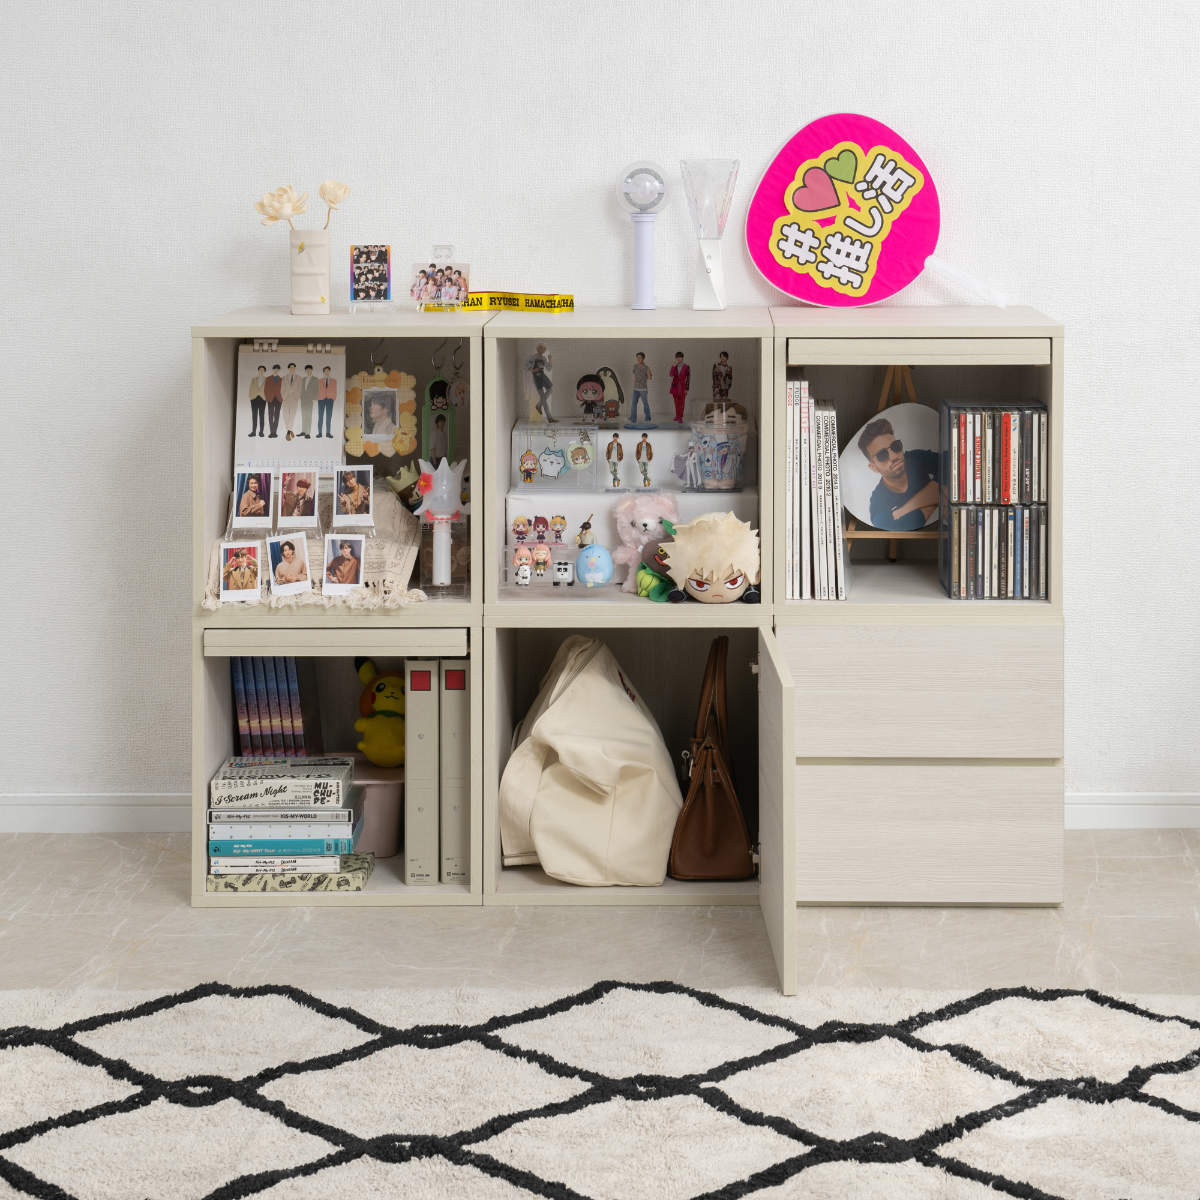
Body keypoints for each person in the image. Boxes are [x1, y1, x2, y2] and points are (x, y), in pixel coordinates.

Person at [859, 417, 940, 531]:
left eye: (895, 446)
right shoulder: (878, 504)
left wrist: (902, 510)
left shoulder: (915, 458)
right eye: (882, 455)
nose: (894, 456)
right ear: (873, 467)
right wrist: (937, 497)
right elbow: (906, 527)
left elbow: (953, 464)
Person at [526, 343, 555, 421]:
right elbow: (527, 367)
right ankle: (549, 417)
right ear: (538, 349)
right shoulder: (533, 357)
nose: (544, 350)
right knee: (543, 397)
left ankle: (539, 405)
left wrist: (550, 360)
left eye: (544, 349)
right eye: (542, 348)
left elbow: (548, 368)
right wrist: (533, 370)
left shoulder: (543, 358)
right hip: (537, 377)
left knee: (550, 389)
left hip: (543, 376)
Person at [628, 352, 653, 425]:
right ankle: (633, 418)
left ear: (643, 358)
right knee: (633, 403)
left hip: (643, 389)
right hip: (635, 388)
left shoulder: (646, 367)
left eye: (640, 358)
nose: (638, 359)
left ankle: (648, 417)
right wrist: (634, 384)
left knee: (645, 403)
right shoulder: (635, 366)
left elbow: (650, 378)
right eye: (637, 357)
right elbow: (635, 376)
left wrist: (649, 372)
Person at [280, 362, 302, 440]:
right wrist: (284, 396)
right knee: (285, 415)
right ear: (288, 368)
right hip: (286, 399)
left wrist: (296, 396)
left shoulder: (299, 378)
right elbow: (282, 389)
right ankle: (290, 430)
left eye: (293, 367)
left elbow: (300, 389)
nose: (292, 369)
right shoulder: (284, 378)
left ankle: (288, 433)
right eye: (291, 367)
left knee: (292, 416)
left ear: (295, 369)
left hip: (294, 399)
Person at [668, 352, 690, 423]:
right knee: (676, 402)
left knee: (682, 403)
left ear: (683, 358)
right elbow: (671, 375)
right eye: (677, 357)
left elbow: (688, 378)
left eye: (680, 357)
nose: (679, 359)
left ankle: (680, 417)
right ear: (675, 358)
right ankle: (677, 416)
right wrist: (673, 366)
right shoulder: (674, 366)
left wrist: (687, 388)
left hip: (682, 386)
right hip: (675, 386)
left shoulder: (686, 367)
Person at [317, 366, 337, 438]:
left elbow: (335, 390)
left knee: (329, 417)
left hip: (330, 400)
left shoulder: (334, 381)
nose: (327, 372)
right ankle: (320, 433)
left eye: (328, 371)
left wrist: (333, 398)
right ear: (323, 372)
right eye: (325, 371)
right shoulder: (319, 381)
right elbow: (317, 390)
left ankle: (328, 433)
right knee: (320, 416)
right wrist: (318, 398)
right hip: (321, 399)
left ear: (329, 371)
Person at [299, 365, 319, 438]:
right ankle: (303, 431)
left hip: (310, 399)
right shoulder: (303, 379)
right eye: (307, 370)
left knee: (308, 416)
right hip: (303, 399)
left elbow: (317, 389)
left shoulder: (315, 379)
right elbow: (301, 388)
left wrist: (314, 398)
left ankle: (308, 433)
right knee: (303, 415)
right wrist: (300, 396)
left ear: (312, 370)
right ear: (305, 371)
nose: (308, 371)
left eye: (309, 369)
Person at [264, 365, 283, 438]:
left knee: (277, 416)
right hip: (270, 399)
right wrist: (267, 398)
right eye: (275, 369)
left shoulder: (281, 379)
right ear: (273, 369)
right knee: (270, 415)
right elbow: (265, 389)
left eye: (277, 369)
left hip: (278, 399)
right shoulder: (268, 378)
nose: (276, 370)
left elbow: (283, 389)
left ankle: (274, 432)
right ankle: (271, 432)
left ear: (279, 370)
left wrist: (281, 398)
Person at [248, 364, 267, 437]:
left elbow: (268, 389)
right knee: (254, 416)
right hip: (254, 399)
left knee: (262, 416)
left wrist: (265, 397)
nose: (261, 371)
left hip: (262, 399)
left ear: (264, 371)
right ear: (258, 371)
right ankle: (253, 432)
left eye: (262, 370)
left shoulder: (267, 379)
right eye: (260, 370)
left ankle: (261, 432)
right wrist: (251, 397)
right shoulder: (254, 379)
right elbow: (251, 388)